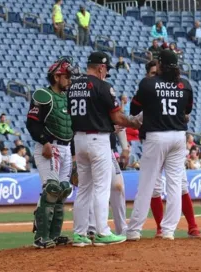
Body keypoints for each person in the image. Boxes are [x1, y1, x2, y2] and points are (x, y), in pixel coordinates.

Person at [68, 51, 140, 247]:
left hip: (79, 139)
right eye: (106, 69)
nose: (106, 72)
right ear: (101, 67)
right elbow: (117, 118)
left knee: (84, 189)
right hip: (98, 139)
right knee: (101, 186)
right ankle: (102, 232)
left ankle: (79, 234)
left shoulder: (73, 86)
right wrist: (136, 123)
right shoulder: (102, 86)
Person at [127, 50, 193, 241]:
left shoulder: (148, 83)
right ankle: (168, 231)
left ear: (160, 65)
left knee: (147, 183)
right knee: (174, 185)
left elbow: (133, 109)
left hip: (156, 135)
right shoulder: (185, 85)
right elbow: (187, 110)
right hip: (179, 136)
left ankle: (134, 230)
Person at [26, 58, 75, 249]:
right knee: (52, 189)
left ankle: (54, 234)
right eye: (67, 76)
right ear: (56, 76)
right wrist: (44, 140)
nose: (70, 80)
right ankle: (41, 236)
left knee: (63, 190)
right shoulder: (43, 95)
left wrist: (74, 152)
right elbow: (32, 122)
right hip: (49, 147)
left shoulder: (69, 97)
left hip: (66, 146)